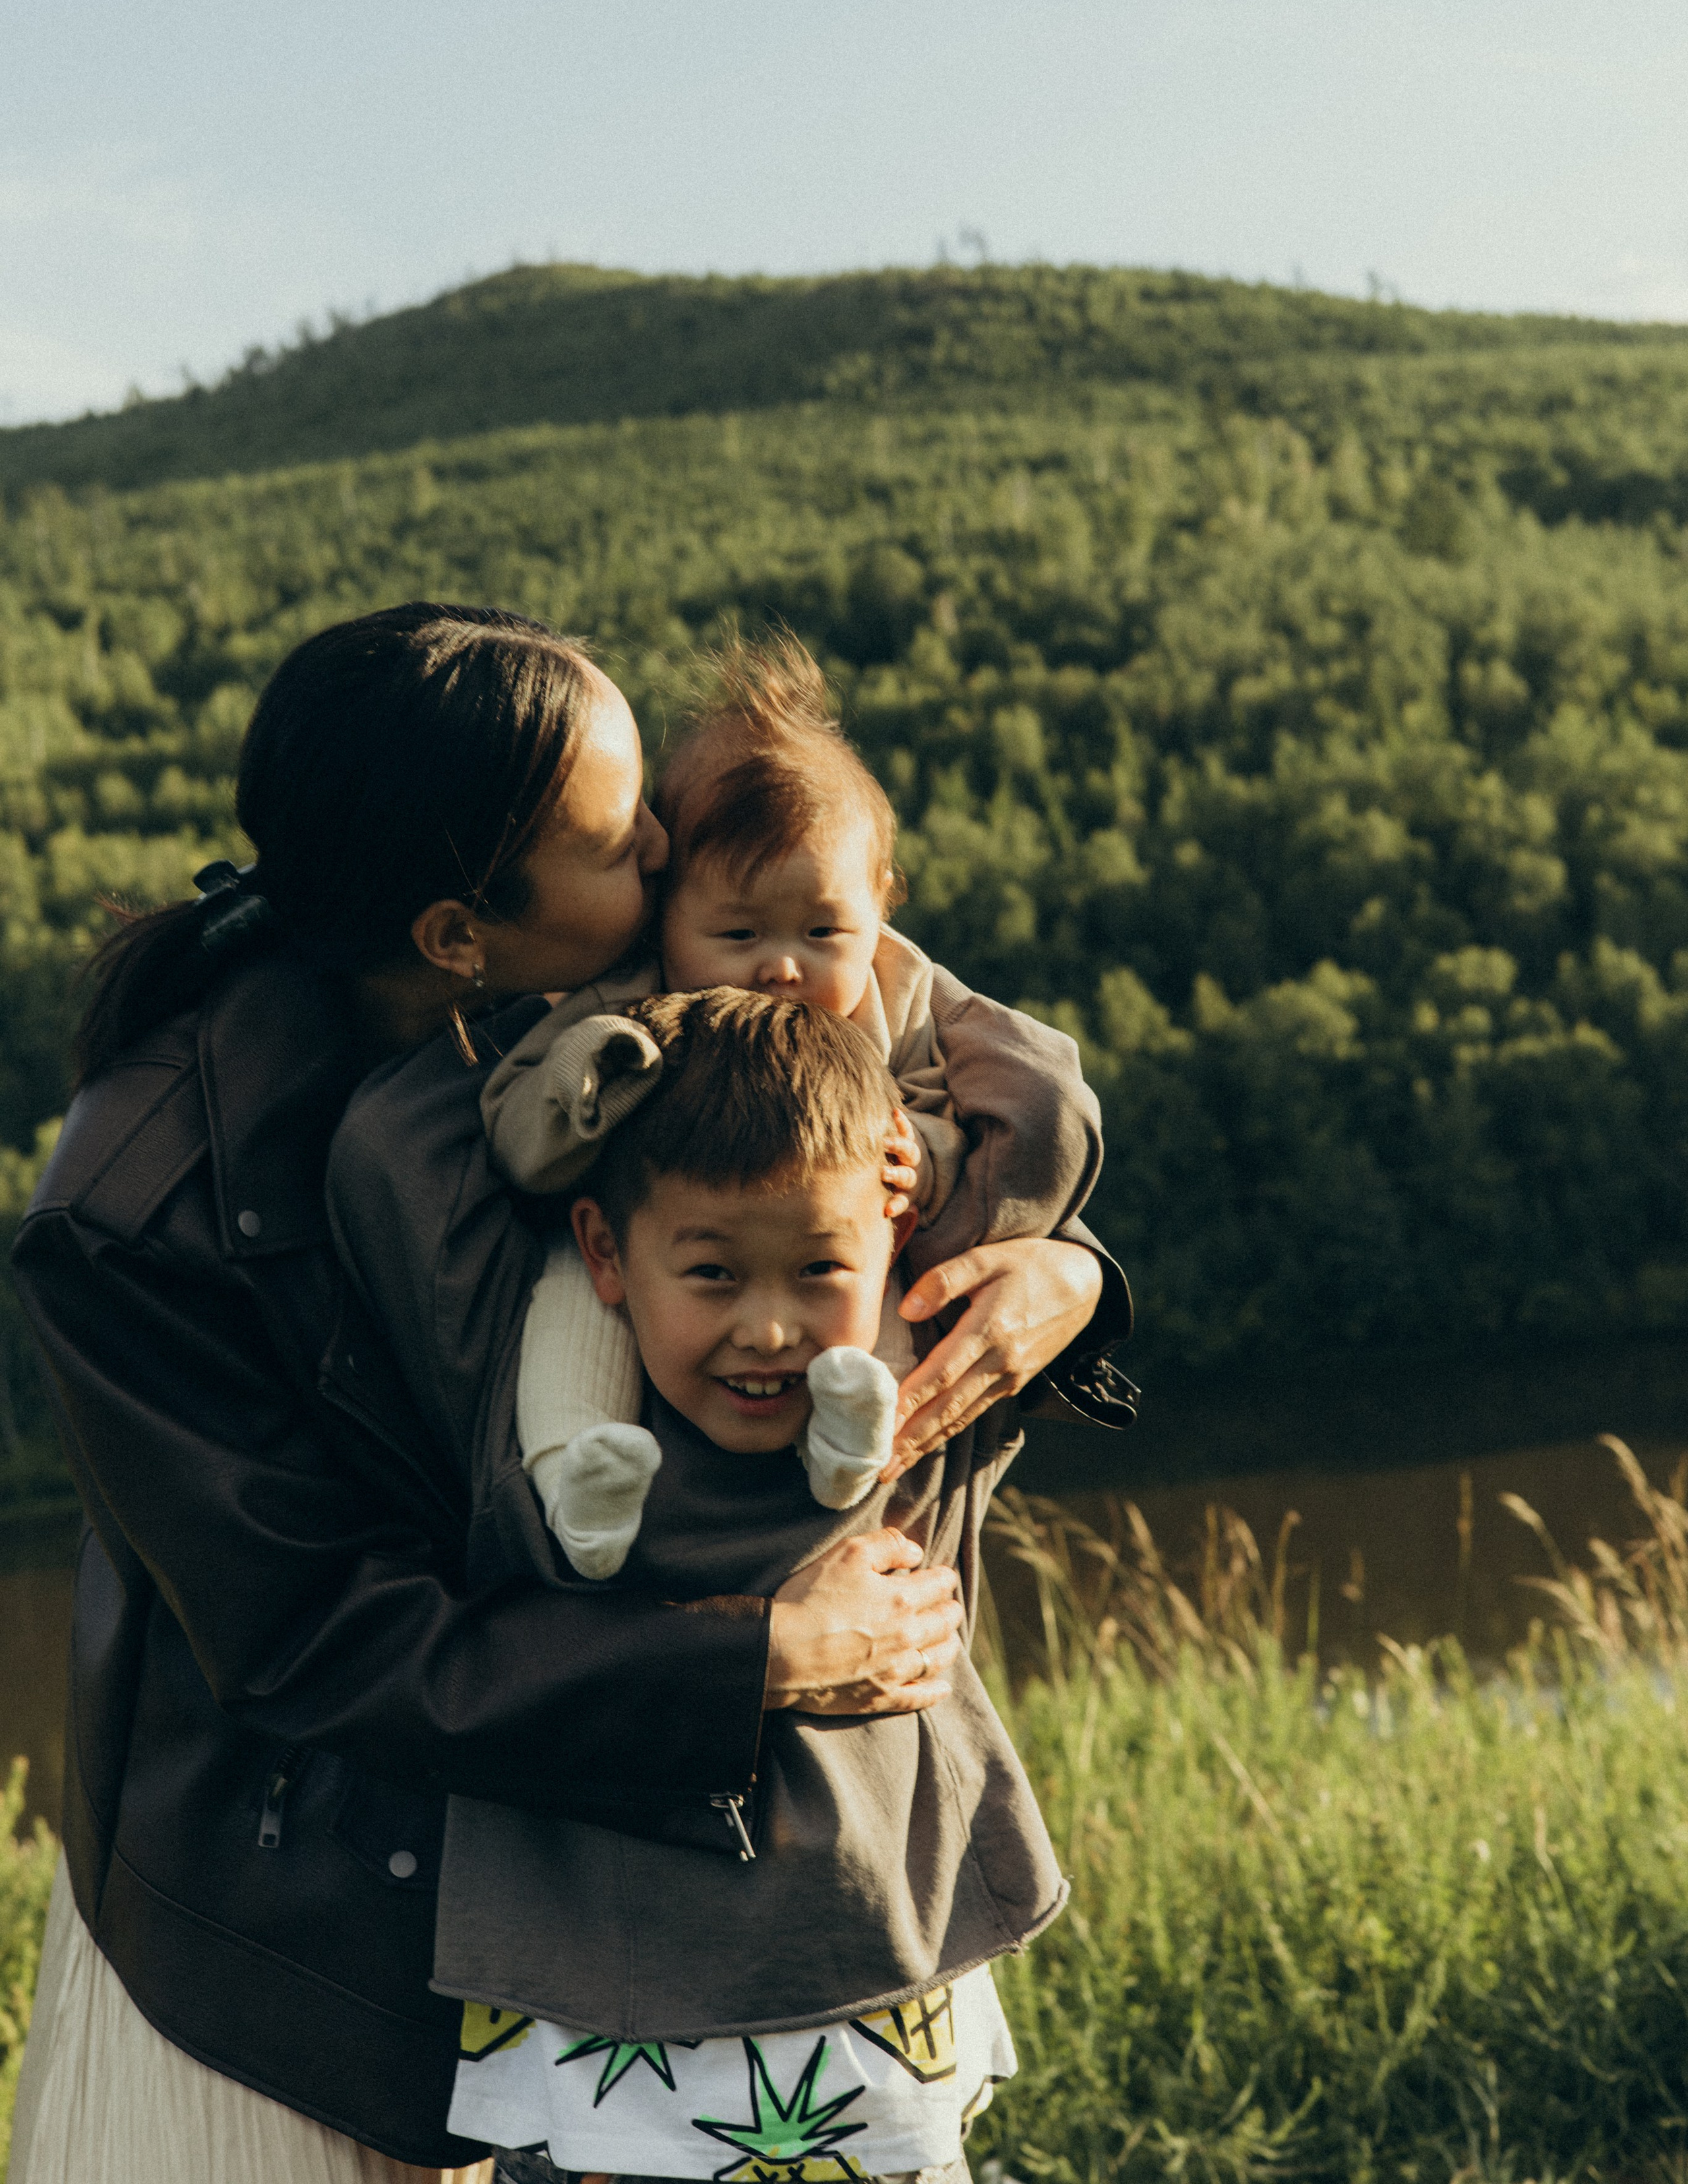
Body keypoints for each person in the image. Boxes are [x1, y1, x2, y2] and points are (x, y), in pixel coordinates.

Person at [5, 603, 1132, 2184]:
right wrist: (753, 1662)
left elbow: (890, 1026)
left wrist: (1061, 1270)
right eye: (630, 845)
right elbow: (314, 1638)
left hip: (594, 1880)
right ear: (460, 931)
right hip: (302, 1946)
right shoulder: (134, 1213)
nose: (680, 855)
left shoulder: (618, 963)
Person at [434, 988, 1067, 2184]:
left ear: (896, 1246)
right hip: (610, 2033)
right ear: (604, 1255)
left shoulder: (930, 1411)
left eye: (821, 1269)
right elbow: (388, 1155)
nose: (772, 1331)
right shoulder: (530, 1455)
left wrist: (1068, 1266)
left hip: (871, 1997)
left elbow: (1044, 1114)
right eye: (715, 1275)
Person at [454, 632, 1114, 1576]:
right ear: (665, 908)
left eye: (823, 929)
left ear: (879, 908)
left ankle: (853, 1440)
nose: (782, 966)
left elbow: (1024, 1102)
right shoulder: (631, 998)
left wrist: (935, 1159)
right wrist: (598, 1075)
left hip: (844, 1267)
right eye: (737, 931)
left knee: (869, 1283)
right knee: (574, 1298)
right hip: (649, 1269)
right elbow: (521, 1122)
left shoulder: (894, 995)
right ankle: (580, 1485)